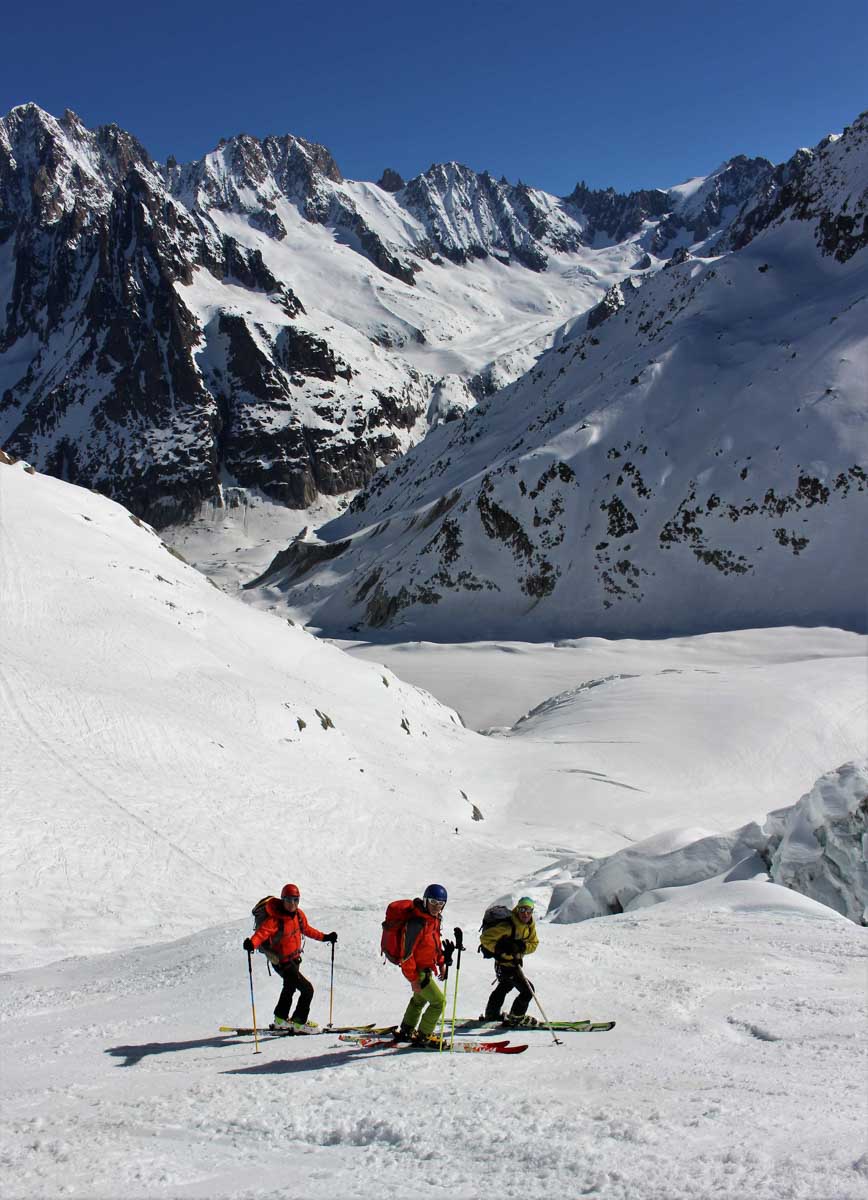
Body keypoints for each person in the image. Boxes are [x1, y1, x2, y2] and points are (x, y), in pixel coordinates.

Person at [242, 883, 337, 1029]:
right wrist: (252, 943)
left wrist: (325, 937)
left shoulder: (299, 915)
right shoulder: (275, 919)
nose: (292, 903)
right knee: (307, 989)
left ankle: (281, 1020)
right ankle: (299, 1022)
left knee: (289, 988)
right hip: (281, 962)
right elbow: (262, 933)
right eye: (289, 900)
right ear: (282, 899)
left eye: (296, 900)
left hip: (294, 960)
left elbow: (307, 930)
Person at [397, 884, 450, 1044]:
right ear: (426, 900)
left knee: (419, 1000)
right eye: (433, 902)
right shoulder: (416, 924)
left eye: (441, 904)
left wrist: (441, 962)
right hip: (418, 972)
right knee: (439, 1002)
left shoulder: (433, 920)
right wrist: (413, 979)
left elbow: (434, 944)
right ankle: (424, 1036)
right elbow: (406, 955)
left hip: (426, 969)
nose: (436, 907)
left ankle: (406, 1030)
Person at [479, 897, 539, 1023]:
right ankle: (516, 1018)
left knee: (505, 986)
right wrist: (500, 948)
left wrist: (522, 947)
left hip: (514, 963)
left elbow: (533, 944)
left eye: (529, 910)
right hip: (504, 963)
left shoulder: (529, 925)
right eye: (522, 910)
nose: (525, 914)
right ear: (517, 909)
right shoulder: (507, 925)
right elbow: (485, 939)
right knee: (528, 991)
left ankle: (492, 1014)